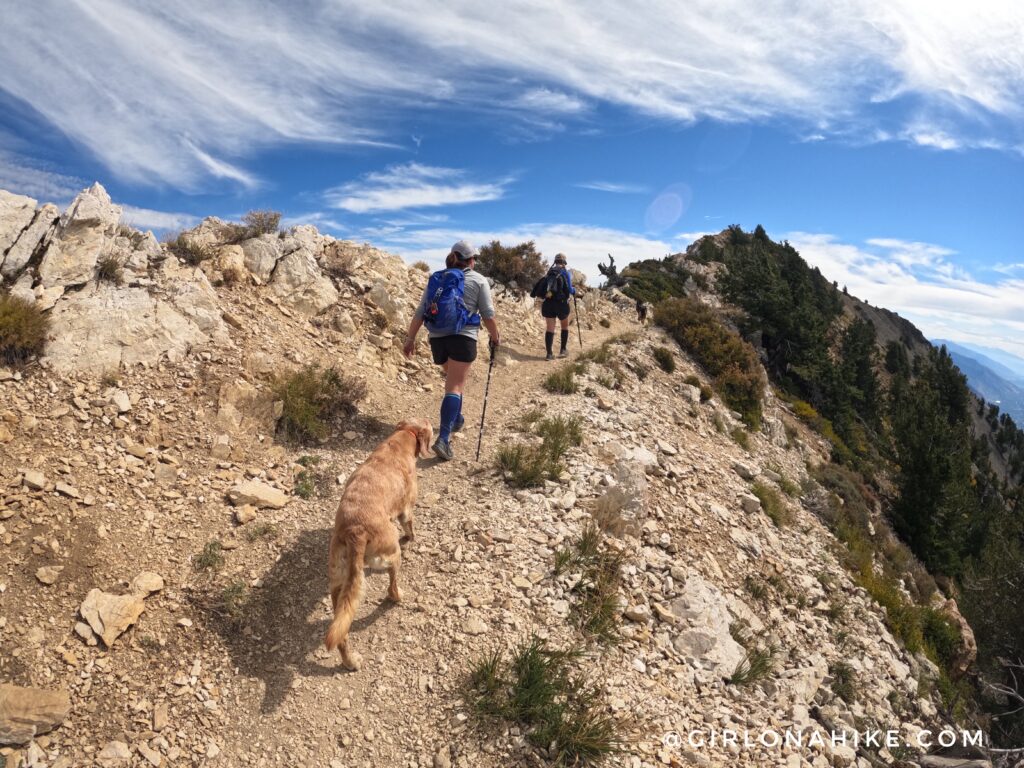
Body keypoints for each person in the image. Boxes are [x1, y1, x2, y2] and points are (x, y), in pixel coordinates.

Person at [403, 240, 500, 461]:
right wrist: (495, 338)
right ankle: (444, 439)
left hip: (437, 339)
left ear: (453, 257)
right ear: (471, 260)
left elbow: (420, 311)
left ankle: (455, 419)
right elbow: (488, 314)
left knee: (453, 381)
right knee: (455, 386)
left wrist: (410, 339)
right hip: (463, 337)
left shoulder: (438, 279)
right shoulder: (478, 280)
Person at [531, 253, 576, 360]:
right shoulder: (565, 273)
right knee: (564, 326)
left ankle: (549, 354)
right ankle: (563, 350)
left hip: (548, 303)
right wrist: (574, 291)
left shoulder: (549, 272)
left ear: (555, 262)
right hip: (561, 303)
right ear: (564, 262)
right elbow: (570, 290)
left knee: (550, 328)